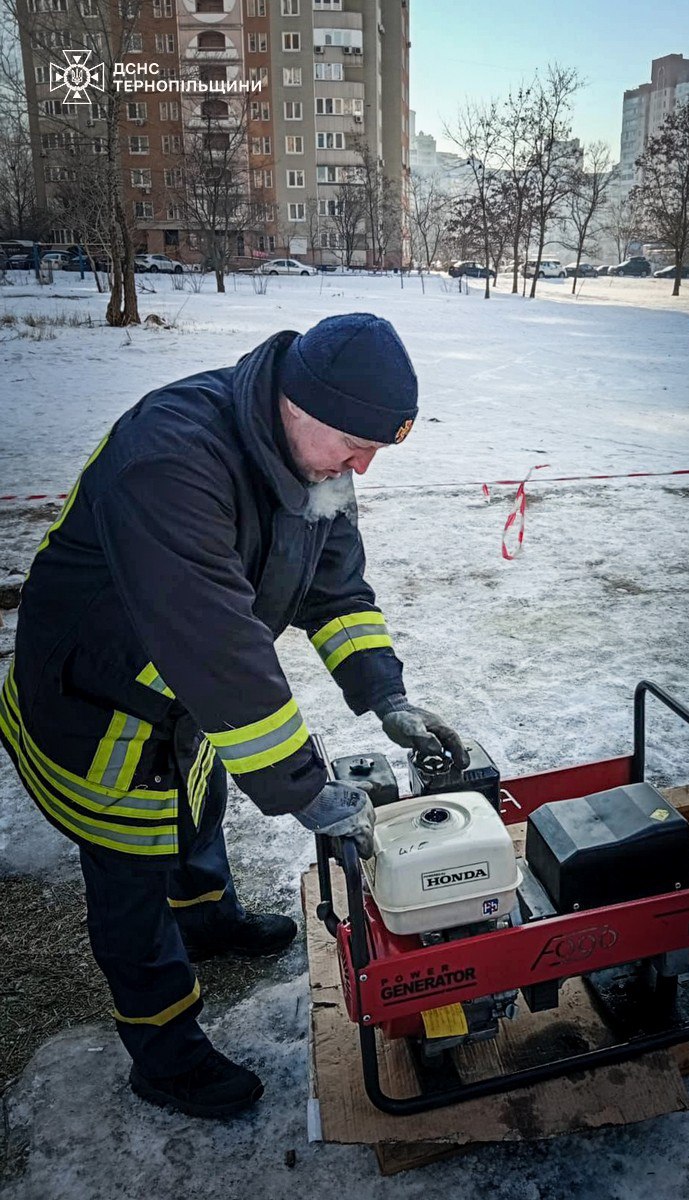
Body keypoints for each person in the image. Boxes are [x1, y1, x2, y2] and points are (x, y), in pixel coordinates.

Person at [0, 313, 467, 1119]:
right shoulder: (170, 459)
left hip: (185, 696)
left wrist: (384, 693)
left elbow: (336, 590)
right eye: (358, 444)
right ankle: (166, 1055)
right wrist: (304, 789)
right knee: (130, 880)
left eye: (378, 450)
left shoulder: (315, 461)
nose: (364, 466)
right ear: (299, 402)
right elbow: (218, 649)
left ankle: (209, 921)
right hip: (95, 698)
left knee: (200, 801)